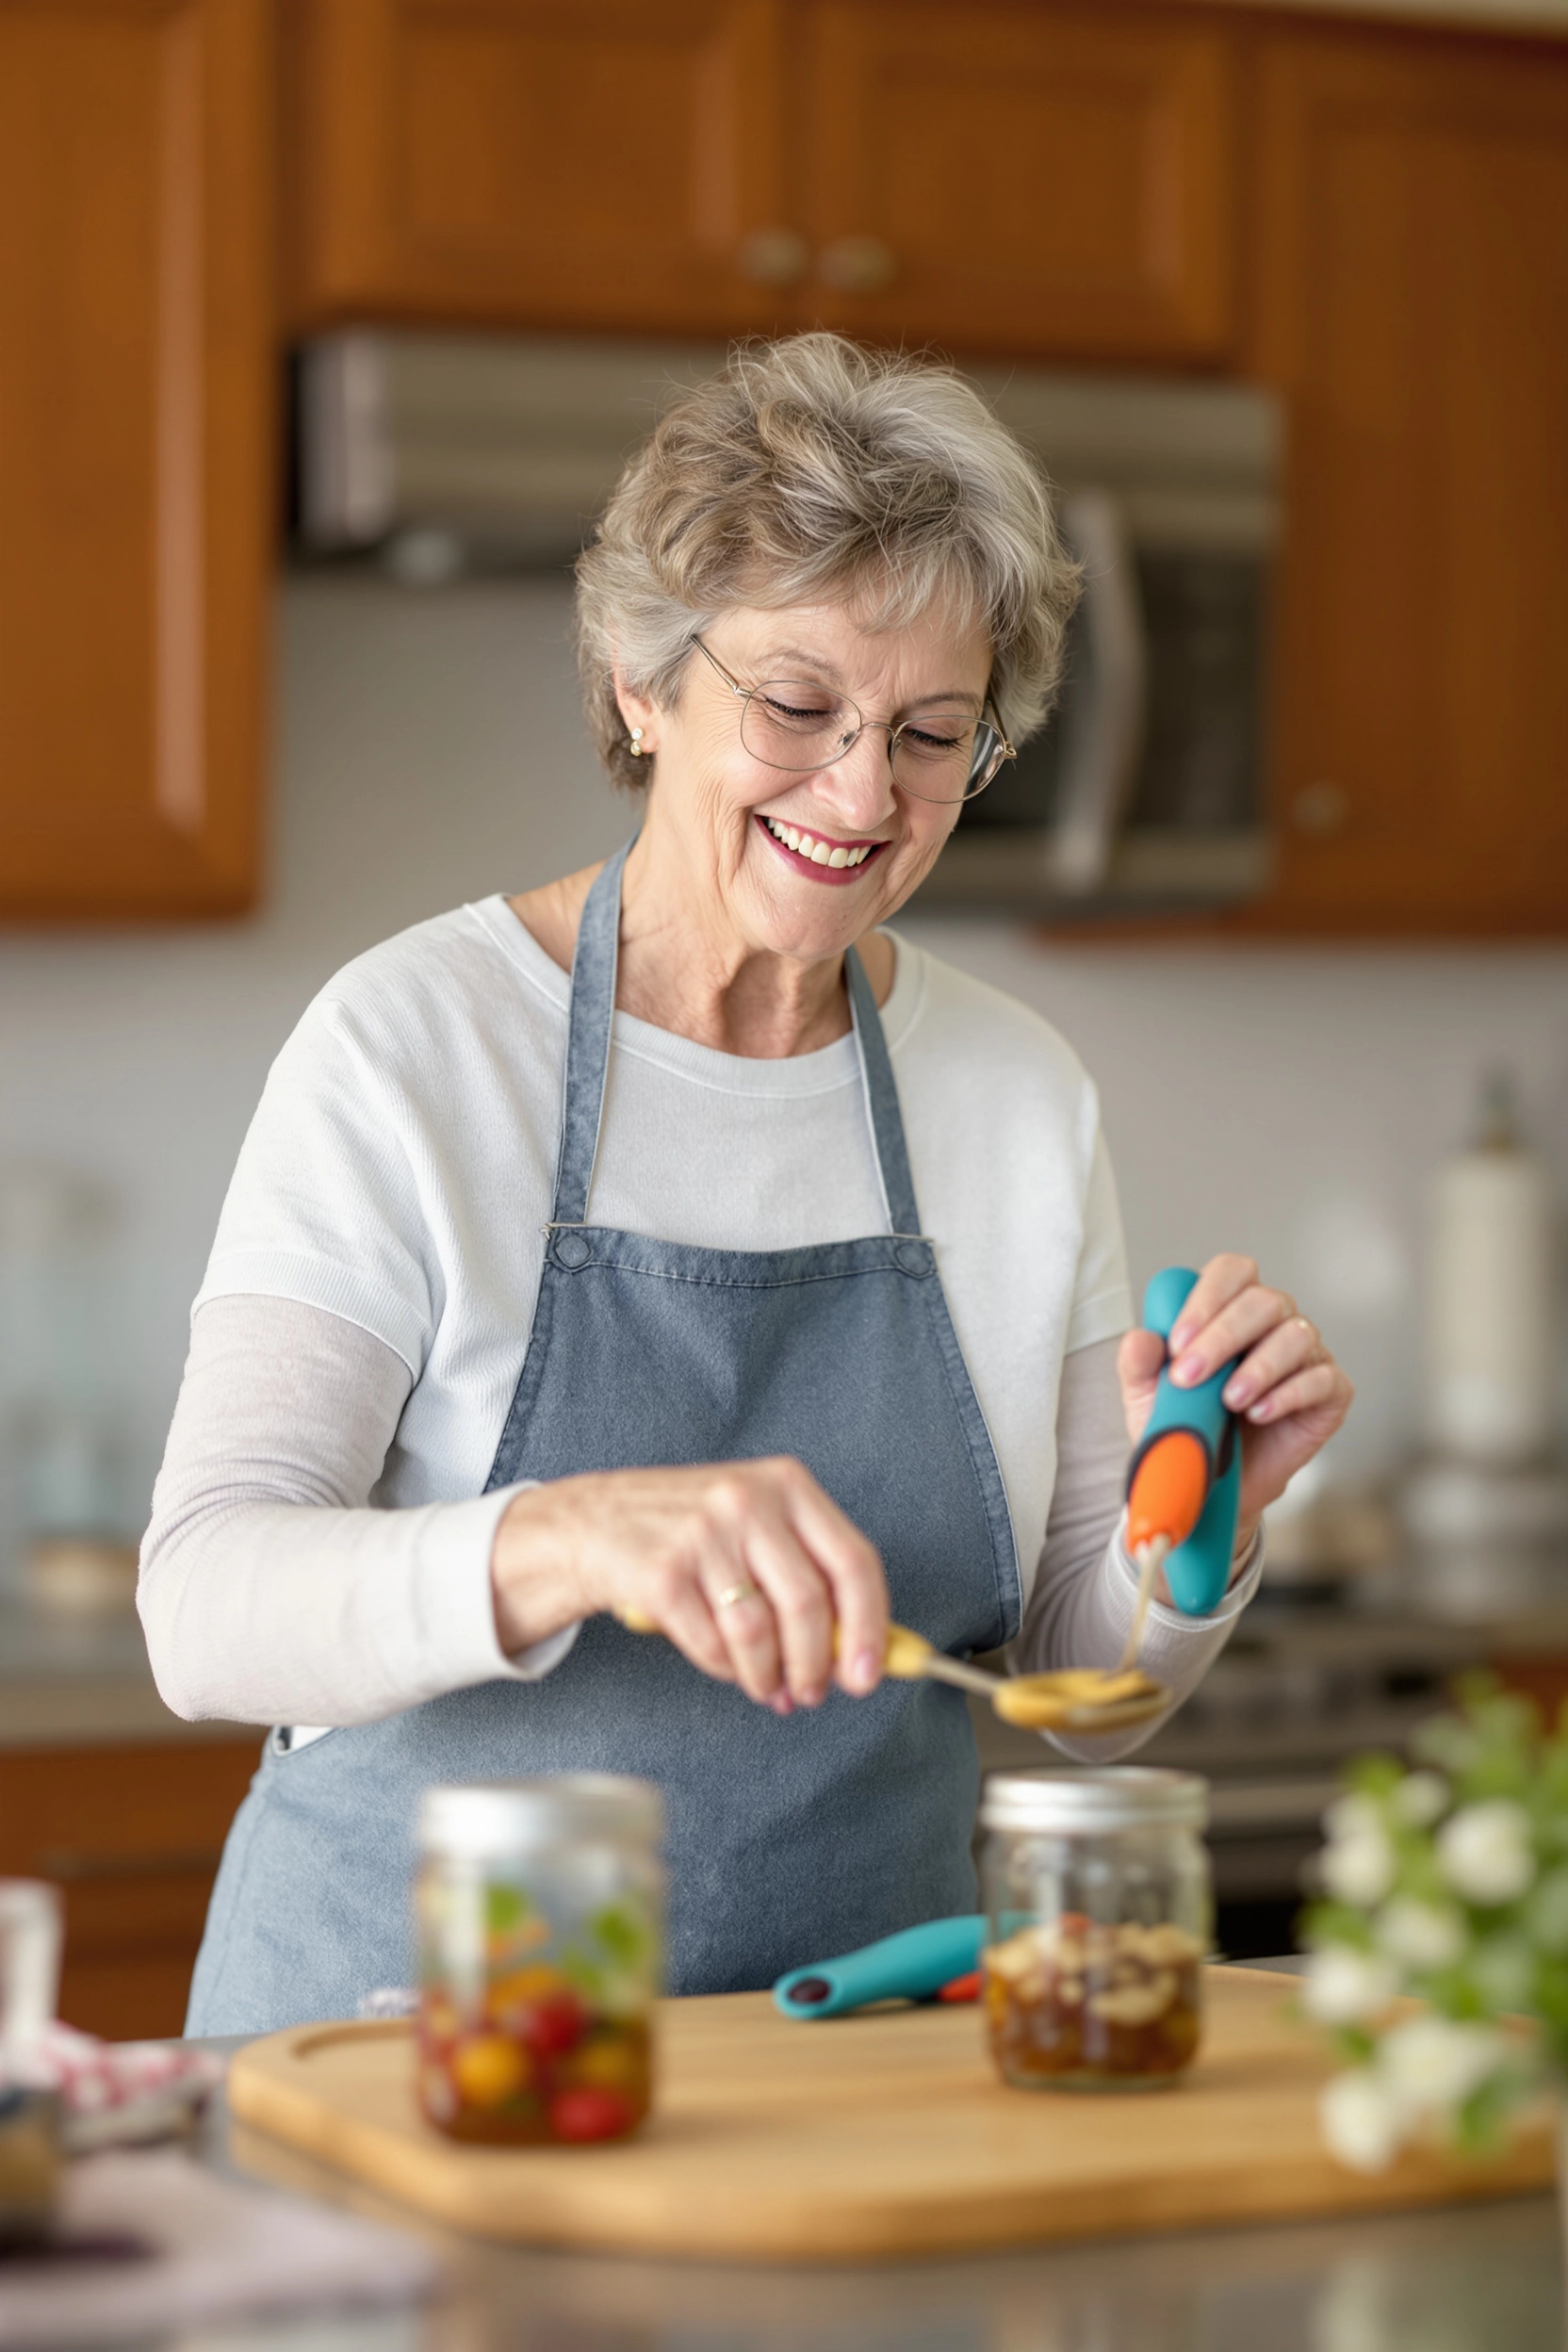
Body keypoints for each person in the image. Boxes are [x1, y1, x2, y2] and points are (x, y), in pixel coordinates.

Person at [140, 335, 1352, 2034]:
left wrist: (1203, 1521)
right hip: (415, 2061)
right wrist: (567, 1538)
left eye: (936, 735)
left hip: (850, 2080)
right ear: (646, 683)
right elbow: (203, 1605)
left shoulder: (1014, 1099)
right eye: (798, 706)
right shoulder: (414, 1050)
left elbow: (1082, 1697)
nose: (863, 794)